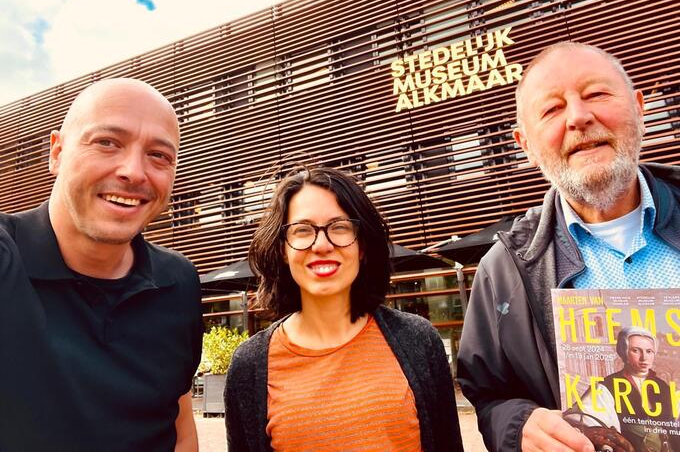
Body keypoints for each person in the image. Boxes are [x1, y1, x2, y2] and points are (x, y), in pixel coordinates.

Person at [456, 42, 680, 452]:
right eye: (552, 109)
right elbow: (487, 397)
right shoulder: (502, 272)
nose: (579, 116)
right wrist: (519, 424)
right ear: (525, 144)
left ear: (639, 107)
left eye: (596, 94)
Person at [0, 78, 203, 452]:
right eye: (107, 142)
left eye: (159, 155)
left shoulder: (180, 281)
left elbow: (179, 420)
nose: (134, 172)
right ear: (56, 153)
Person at [224, 166, 463, 451]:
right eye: (302, 230)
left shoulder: (418, 340)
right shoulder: (249, 366)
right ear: (282, 250)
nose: (322, 245)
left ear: (361, 246)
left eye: (339, 227)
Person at [568, 327, 680, 452]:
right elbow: (586, 421)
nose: (644, 358)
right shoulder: (605, 387)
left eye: (649, 351)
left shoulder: (665, 387)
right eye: (636, 351)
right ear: (624, 352)